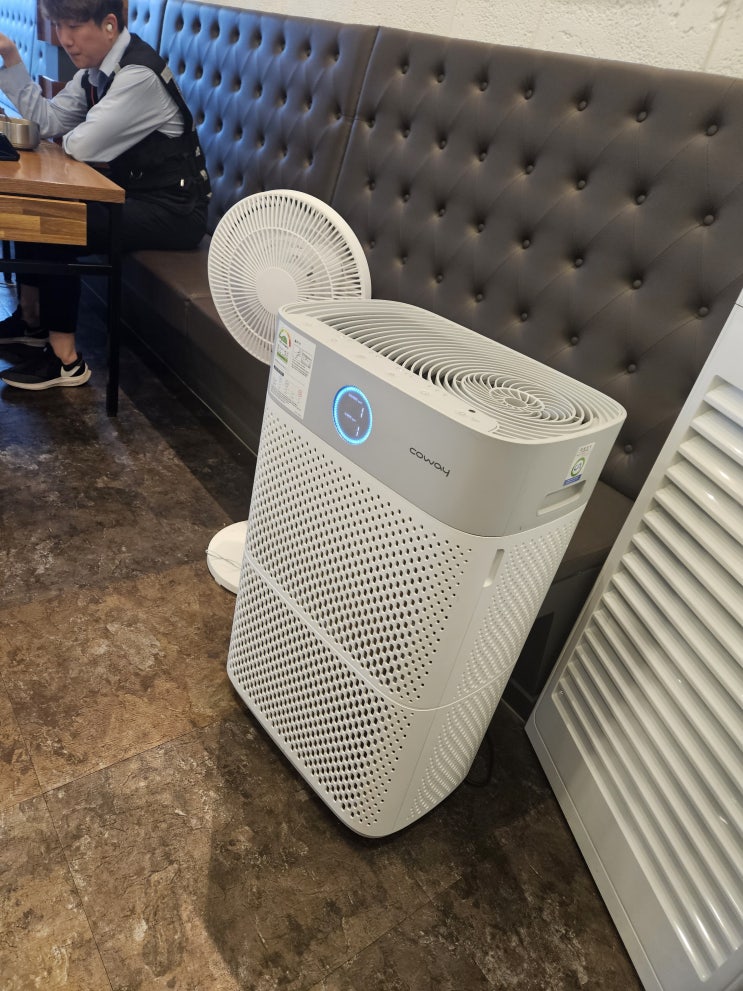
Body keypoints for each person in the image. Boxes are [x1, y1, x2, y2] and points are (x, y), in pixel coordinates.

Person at [0, 0, 210, 390]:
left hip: (177, 210)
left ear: (109, 25)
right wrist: (10, 57)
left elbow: (81, 144)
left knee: (57, 223)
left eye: (74, 27)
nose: (65, 40)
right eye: (59, 27)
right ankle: (32, 323)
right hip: (135, 195)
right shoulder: (94, 74)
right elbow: (48, 121)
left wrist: (71, 135)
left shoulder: (138, 76)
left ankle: (66, 361)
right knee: (34, 210)